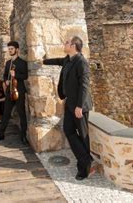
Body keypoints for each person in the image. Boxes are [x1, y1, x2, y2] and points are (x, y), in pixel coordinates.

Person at [42, 36, 94, 180]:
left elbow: (84, 85)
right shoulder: (68, 59)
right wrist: (43, 61)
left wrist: (79, 106)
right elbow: (58, 61)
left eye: (66, 42)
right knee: (68, 130)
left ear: (73, 46)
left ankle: (84, 169)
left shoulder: (81, 62)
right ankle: (86, 159)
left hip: (79, 106)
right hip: (70, 103)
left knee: (83, 136)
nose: (64, 44)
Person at [0, 41, 28, 145]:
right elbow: (4, 76)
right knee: (6, 114)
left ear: (17, 49)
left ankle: (23, 136)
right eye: (9, 49)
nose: (10, 50)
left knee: (22, 114)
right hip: (9, 92)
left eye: (12, 49)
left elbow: (25, 76)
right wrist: (6, 81)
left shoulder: (22, 63)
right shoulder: (8, 63)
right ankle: (0, 134)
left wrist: (15, 74)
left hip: (19, 91)